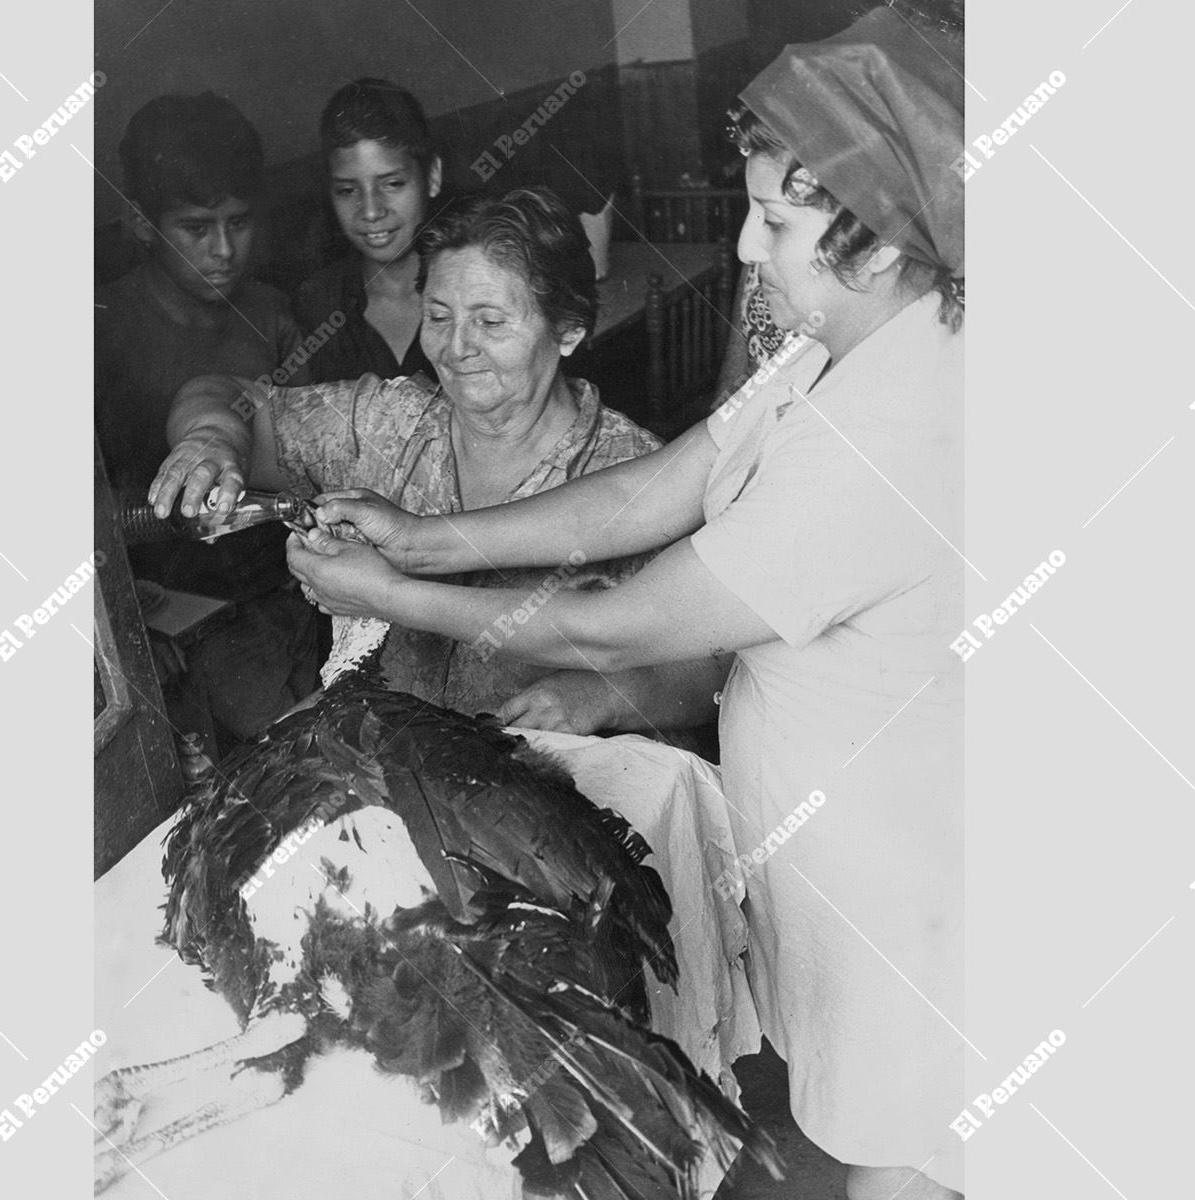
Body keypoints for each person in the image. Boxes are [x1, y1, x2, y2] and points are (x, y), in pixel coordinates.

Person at [281, 9, 966, 1197]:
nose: (747, 247)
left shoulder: (902, 429)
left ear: (887, 237)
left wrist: (389, 590)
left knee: (906, 1155)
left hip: (903, 872)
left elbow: (621, 621)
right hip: (845, 863)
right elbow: (666, 484)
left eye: (781, 221)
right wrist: (428, 538)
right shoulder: (837, 346)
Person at [147, 186, 731, 738]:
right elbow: (227, 395)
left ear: (569, 331)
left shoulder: (638, 472)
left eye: (491, 321)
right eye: (439, 316)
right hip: (389, 770)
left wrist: (602, 695)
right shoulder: (386, 421)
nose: (456, 348)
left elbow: (715, 670)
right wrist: (209, 439)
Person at [96, 90, 320, 743]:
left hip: (284, 598)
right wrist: (132, 631)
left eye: (239, 222)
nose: (224, 250)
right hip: (157, 623)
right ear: (140, 222)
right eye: (197, 228)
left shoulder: (274, 315)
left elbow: (311, 466)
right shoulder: (101, 331)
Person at [292, 78, 442, 384]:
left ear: (432, 177)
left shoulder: (475, 287)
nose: (371, 211)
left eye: (393, 184)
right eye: (348, 190)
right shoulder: (315, 307)